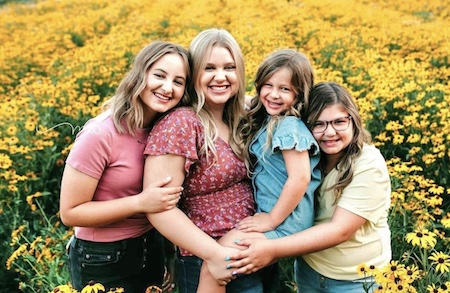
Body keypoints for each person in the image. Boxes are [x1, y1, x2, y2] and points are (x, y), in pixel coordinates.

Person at [227, 81, 392, 292]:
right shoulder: (309, 154)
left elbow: (339, 230)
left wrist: (270, 248)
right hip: (309, 272)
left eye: (339, 122)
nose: (330, 132)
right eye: (318, 124)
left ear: (354, 121)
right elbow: (260, 102)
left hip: (356, 280)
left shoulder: (368, 164)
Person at [59, 40, 189, 292]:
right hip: (101, 257)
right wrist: (140, 202)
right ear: (140, 75)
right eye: (159, 76)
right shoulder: (100, 133)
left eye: (178, 81)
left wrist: (170, 255)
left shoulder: (167, 128)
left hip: (151, 246)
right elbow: (70, 213)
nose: (167, 87)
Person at [143, 28, 264, 293]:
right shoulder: (182, 124)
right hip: (207, 262)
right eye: (209, 68)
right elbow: (160, 208)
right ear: (194, 73)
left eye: (229, 67)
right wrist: (216, 256)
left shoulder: (243, 113)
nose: (220, 77)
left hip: (254, 255)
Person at [196, 49, 321, 293]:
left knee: (215, 264)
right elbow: (250, 102)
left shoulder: (288, 126)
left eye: (285, 89)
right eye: (268, 85)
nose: (274, 95)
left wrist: (272, 219)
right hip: (282, 218)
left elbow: (301, 177)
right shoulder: (272, 119)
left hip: (286, 222)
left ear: (300, 93)